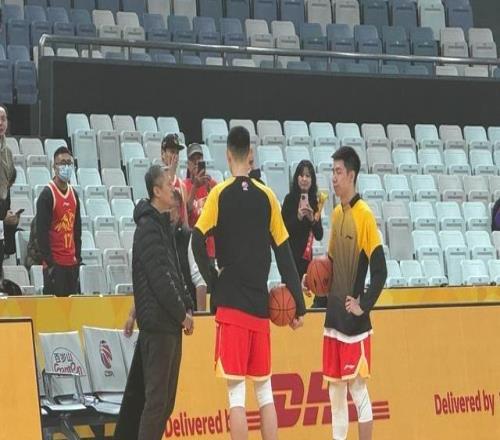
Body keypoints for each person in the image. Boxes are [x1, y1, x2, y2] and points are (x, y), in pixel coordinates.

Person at [192, 126, 306, 440]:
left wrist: (213, 281)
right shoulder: (267, 195)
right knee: (265, 393)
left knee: (236, 397)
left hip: (231, 305)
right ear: (250, 155)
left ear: (228, 155)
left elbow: (196, 240)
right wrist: (299, 305)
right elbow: (284, 253)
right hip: (259, 307)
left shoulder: (219, 194)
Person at [114, 165, 194, 440]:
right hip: (159, 326)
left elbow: (174, 270)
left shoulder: (162, 225)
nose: (174, 188)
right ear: (156, 191)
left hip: (168, 324)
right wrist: (182, 314)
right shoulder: (148, 228)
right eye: (168, 184)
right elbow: (159, 279)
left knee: (164, 403)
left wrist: (187, 304)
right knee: (156, 402)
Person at [323, 146, 387, 440]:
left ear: (351, 175)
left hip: (354, 323)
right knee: (335, 395)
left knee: (358, 391)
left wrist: (364, 304)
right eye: (332, 172)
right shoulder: (337, 214)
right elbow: (330, 264)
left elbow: (380, 270)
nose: (333, 178)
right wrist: (313, 280)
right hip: (333, 318)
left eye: (338, 172)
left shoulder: (365, 216)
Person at [36, 147, 82, 297]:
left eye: (69, 163)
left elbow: (77, 230)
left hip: (71, 264)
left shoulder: (74, 195)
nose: (66, 166)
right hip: (55, 266)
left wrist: (77, 258)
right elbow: (41, 233)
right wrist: (50, 264)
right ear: (54, 166)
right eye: (62, 163)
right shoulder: (47, 195)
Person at [282, 160, 327, 308]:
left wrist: (312, 219)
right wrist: (298, 217)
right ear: (296, 178)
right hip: (289, 259)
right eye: (301, 175)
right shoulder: (289, 200)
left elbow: (319, 235)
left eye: (308, 176)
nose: (304, 179)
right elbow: (283, 230)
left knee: (316, 300)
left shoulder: (315, 202)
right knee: (289, 303)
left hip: (306, 260)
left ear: (312, 180)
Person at [183, 143, 217, 261]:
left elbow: (219, 213)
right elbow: (186, 210)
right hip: (193, 246)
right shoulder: (184, 186)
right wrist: (195, 187)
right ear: (188, 165)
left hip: (211, 248)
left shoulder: (212, 184)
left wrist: (209, 190)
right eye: (193, 160)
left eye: (199, 159)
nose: (197, 162)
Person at [0, 105, 18, 277]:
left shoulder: (8, 153)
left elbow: (7, 187)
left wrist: (8, 216)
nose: (0, 123)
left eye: (3, 119)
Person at [161, 133, 188, 226]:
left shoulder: (182, 186)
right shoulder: (157, 182)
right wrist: (170, 172)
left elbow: (185, 221)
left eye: (177, 153)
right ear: (163, 154)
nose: (175, 156)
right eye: (172, 152)